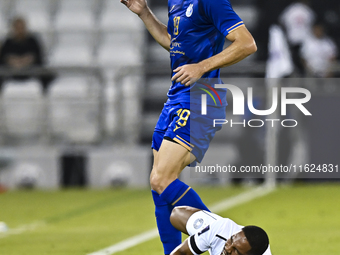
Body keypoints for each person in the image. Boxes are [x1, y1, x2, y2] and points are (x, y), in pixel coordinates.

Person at [121, 0, 257, 254]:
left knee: (162, 178)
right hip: (177, 96)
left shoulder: (210, 2)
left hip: (201, 98)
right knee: (159, 185)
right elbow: (174, 43)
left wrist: (202, 66)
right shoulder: (176, 2)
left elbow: (247, 43)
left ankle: (222, 236)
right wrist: (145, 14)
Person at [170, 206, 272, 255]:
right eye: (231, 241)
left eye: (236, 250)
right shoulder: (221, 229)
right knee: (176, 214)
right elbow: (182, 252)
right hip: (217, 231)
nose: (228, 249)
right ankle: (205, 238)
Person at [0, 17, 54, 94]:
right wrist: (12, 61)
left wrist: (28, 60)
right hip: (12, 72)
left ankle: (45, 95)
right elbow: (4, 57)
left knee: (47, 75)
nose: (20, 30)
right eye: (17, 27)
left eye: (22, 27)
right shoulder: (8, 42)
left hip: (31, 71)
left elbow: (39, 56)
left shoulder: (33, 40)